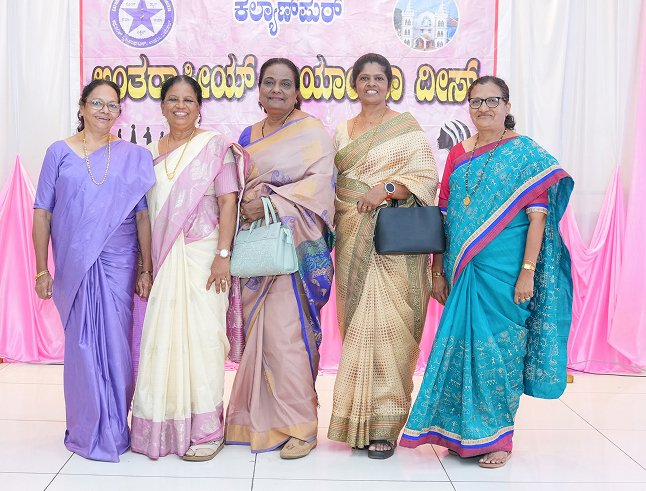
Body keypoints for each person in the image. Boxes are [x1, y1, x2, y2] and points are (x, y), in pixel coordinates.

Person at [401, 76, 574, 468]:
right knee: (459, 349)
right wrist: (437, 270)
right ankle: (459, 433)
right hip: (462, 269)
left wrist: (527, 272)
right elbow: (444, 214)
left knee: (499, 353)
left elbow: (537, 218)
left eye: (492, 101)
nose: (483, 108)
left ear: (507, 106)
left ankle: (497, 438)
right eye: (476, 102)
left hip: (506, 273)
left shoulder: (526, 154)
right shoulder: (458, 153)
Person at [32, 79, 155, 462]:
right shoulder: (59, 152)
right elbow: (42, 212)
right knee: (82, 346)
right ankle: (86, 428)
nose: (105, 110)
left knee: (116, 344)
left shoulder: (133, 155)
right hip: (75, 263)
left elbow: (142, 216)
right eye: (97, 103)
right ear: (82, 106)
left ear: (120, 111)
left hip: (120, 262)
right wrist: (41, 269)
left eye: (112, 105)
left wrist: (146, 267)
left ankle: (116, 428)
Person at [327, 53, 439, 459]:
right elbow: (334, 185)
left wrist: (388, 188)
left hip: (396, 246)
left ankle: (385, 427)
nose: (371, 83)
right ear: (354, 84)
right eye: (364, 78)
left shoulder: (406, 128)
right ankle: (356, 423)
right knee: (358, 327)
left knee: (392, 332)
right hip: (352, 236)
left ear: (391, 85)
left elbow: (426, 178)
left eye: (379, 78)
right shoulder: (341, 131)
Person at [225, 58, 336, 460]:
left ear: (297, 92)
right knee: (260, 335)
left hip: (291, 250)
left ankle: (301, 427)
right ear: (258, 90)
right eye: (269, 82)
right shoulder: (247, 135)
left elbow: (321, 189)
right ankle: (256, 421)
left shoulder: (313, 133)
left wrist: (271, 203)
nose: (276, 90)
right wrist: (244, 207)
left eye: (285, 84)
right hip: (254, 248)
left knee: (285, 336)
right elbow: (234, 186)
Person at [130, 75, 245, 461]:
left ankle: (206, 431)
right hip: (164, 260)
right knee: (162, 340)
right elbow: (145, 216)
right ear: (162, 106)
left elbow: (228, 202)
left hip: (205, 257)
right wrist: (146, 268)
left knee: (203, 340)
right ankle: (163, 428)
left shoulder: (214, 146)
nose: (180, 106)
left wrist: (223, 255)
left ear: (199, 108)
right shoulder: (148, 154)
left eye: (188, 100)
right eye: (173, 100)